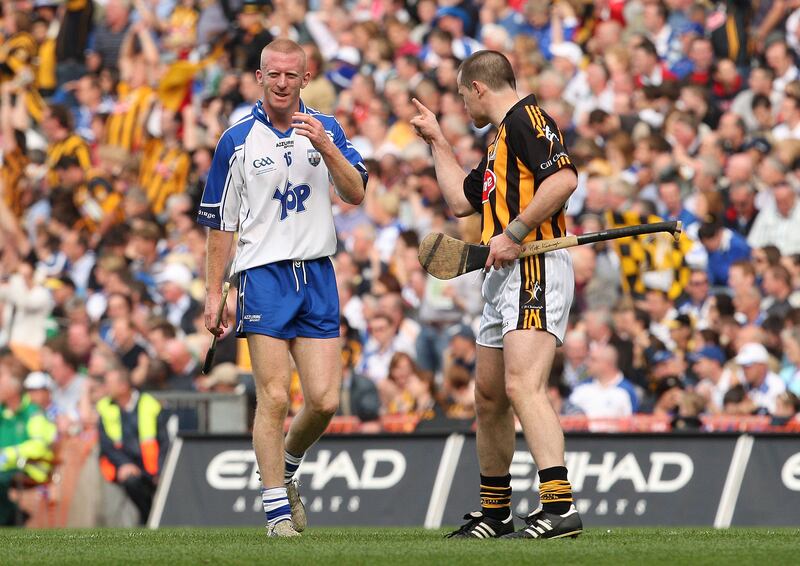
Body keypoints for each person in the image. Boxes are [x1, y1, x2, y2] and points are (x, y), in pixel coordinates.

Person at [197, 39, 367, 538]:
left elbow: (356, 193)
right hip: (263, 275)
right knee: (272, 396)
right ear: (259, 76)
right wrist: (214, 293)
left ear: (305, 79)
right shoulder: (236, 140)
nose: (281, 82)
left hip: (317, 273)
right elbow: (221, 225)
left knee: (324, 401)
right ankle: (276, 513)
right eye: (273, 74)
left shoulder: (327, 128)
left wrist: (327, 147)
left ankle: (287, 467)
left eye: (291, 75)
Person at [411, 50, 582, 539]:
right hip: (502, 271)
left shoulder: (528, 119)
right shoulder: (498, 140)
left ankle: (560, 506)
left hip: (533, 263)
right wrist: (439, 141)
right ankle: (496, 511)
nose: (464, 105)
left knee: (522, 386)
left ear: (478, 88)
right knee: (488, 395)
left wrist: (516, 231)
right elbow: (460, 201)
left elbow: (565, 179)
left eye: (463, 95)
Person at [96, 367, 169, 525]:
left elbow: (164, 441)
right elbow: (106, 444)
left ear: (123, 386)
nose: (105, 388)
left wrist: (161, 470)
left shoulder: (150, 404)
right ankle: (148, 520)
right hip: (121, 468)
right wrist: (124, 464)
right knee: (130, 484)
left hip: (150, 469)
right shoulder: (105, 407)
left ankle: (149, 520)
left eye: (109, 384)